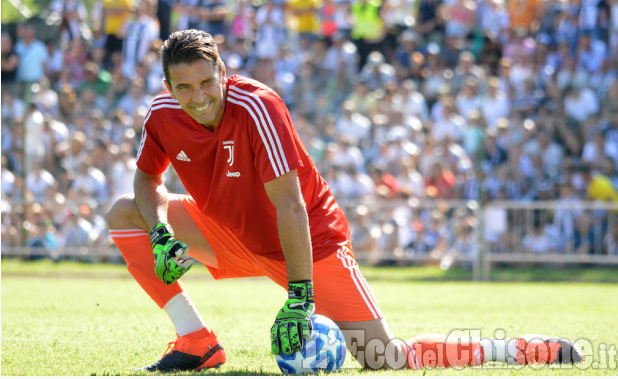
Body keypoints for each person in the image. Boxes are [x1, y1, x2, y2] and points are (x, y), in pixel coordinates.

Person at [107, 29, 583, 373]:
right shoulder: (162, 112)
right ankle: (196, 340)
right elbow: (146, 180)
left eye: (206, 82)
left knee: (386, 359)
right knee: (125, 214)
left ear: (223, 74)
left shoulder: (257, 106)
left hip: (309, 245)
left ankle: (526, 349)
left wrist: (301, 296)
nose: (198, 96)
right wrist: (162, 233)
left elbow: (291, 207)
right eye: (184, 87)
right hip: (231, 235)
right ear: (169, 87)